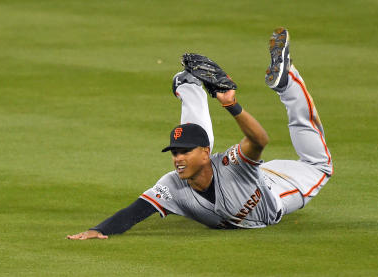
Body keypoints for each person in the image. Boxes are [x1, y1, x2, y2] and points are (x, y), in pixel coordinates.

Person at [67, 27, 333, 240]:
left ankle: (287, 83)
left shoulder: (233, 164)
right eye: (174, 152)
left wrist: (231, 105)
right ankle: (188, 84)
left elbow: (259, 140)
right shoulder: (172, 184)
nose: (177, 158)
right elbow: (135, 211)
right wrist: (99, 230)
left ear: (206, 154)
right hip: (252, 178)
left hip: (276, 191)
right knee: (196, 136)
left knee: (320, 166)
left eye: (184, 152)